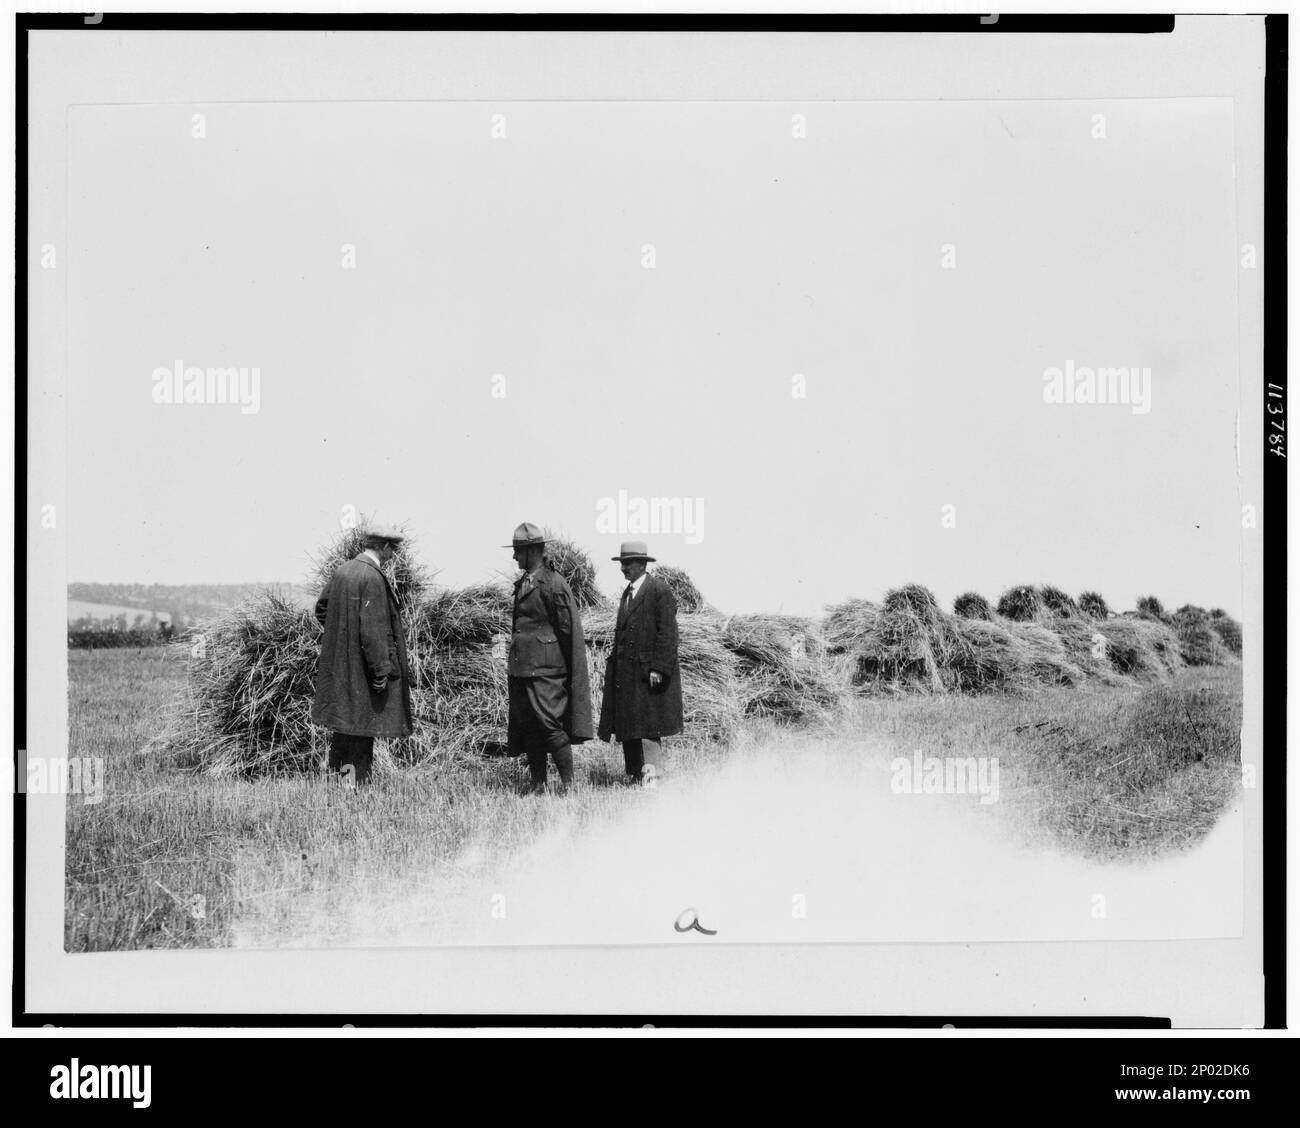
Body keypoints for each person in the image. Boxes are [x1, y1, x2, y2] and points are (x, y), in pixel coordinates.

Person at [310, 524, 413, 785]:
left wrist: (343, 638)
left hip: (341, 668)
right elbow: (374, 632)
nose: (393, 556)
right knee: (362, 731)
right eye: (393, 550)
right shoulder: (373, 578)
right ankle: (354, 787)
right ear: (385, 547)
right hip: (364, 672)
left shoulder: (342, 571)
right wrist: (381, 671)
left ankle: (341, 784)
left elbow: (322, 610)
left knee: (343, 729)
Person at [504, 522, 593, 793]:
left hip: (546, 671)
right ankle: (538, 785)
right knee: (530, 727)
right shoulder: (523, 583)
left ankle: (570, 787)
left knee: (550, 725)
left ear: (532, 551)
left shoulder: (554, 584)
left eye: (518, 551)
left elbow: (569, 634)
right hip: (523, 669)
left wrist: (566, 673)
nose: (514, 556)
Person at [597, 541, 684, 786]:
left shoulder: (659, 590)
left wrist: (659, 668)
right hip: (627, 673)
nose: (624, 568)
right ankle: (636, 775)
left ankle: (652, 777)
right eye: (622, 563)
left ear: (643, 564)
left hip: (648, 673)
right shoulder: (628, 593)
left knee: (648, 726)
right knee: (629, 726)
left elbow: (668, 634)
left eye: (628, 563)